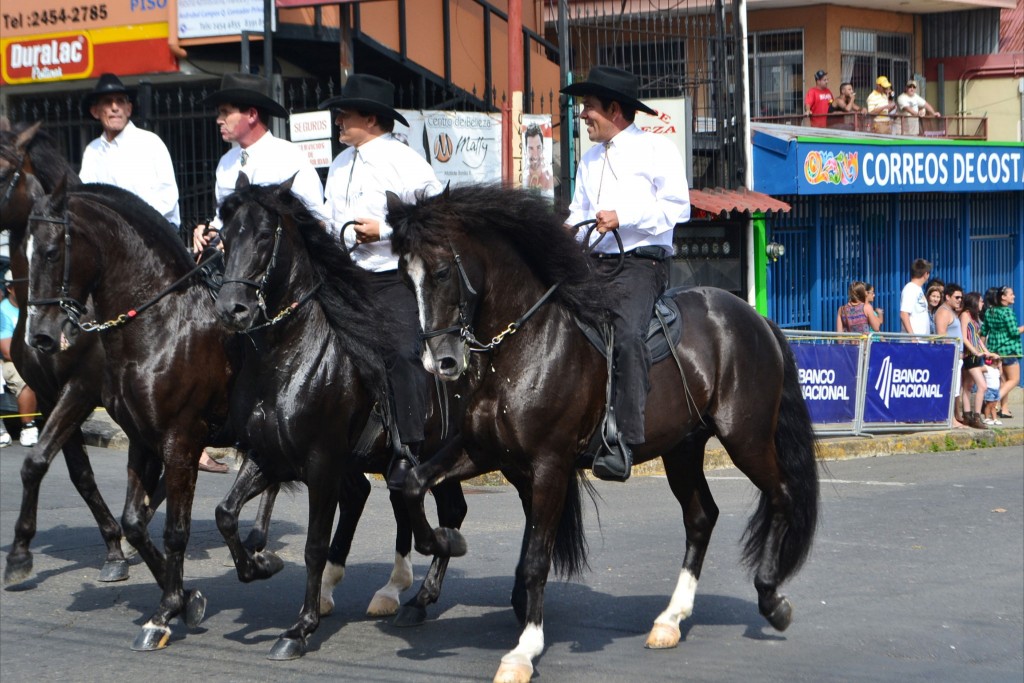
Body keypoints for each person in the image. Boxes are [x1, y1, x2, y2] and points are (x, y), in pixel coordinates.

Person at [561, 66, 691, 482]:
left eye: (589, 107)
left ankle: (625, 439)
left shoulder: (657, 150)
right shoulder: (589, 159)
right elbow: (578, 214)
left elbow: (678, 207)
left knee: (628, 332)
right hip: (592, 263)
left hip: (641, 263)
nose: (583, 115)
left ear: (615, 109)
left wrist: (623, 216)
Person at [318, 74, 442, 490]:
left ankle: (409, 447)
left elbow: (435, 217)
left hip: (393, 278)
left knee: (404, 352)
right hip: (347, 278)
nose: (338, 120)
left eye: (345, 114)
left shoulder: (405, 161)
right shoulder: (338, 165)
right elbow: (328, 219)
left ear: (371, 118)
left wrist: (386, 232)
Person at [192, 72, 324, 252]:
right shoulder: (226, 162)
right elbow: (224, 219)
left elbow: (316, 220)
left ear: (252, 114)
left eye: (226, 112)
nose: (219, 120)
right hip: (233, 270)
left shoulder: (288, 156)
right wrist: (209, 232)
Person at [79, 73, 181, 227]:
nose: (115, 108)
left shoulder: (150, 143)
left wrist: (134, 222)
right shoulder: (92, 151)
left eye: (120, 101)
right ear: (95, 112)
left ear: (128, 109)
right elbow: (86, 197)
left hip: (156, 230)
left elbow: (168, 197)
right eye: (108, 102)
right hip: (112, 233)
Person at [0, 271, 38, 447]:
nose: (27, 289)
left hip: (35, 358)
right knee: (27, 379)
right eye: (21, 286)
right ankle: (28, 427)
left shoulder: (35, 308)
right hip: (11, 361)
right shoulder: (3, 311)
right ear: (9, 288)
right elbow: (8, 352)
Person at [982, 285, 1023, 419]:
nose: (1013, 296)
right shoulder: (1007, 312)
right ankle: (992, 401)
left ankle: (1003, 409)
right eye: (1011, 294)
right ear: (1003, 297)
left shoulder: (990, 312)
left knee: (1003, 380)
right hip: (1008, 350)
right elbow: (1013, 332)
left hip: (994, 350)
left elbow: (983, 331)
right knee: (1014, 379)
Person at [959, 291, 998, 429]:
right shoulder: (965, 315)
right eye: (980, 301)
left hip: (976, 355)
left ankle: (967, 415)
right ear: (974, 302)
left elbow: (976, 337)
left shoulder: (974, 318)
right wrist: (974, 351)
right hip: (970, 356)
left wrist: (987, 352)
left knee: (968, 386)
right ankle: (976, 416)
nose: (982, 303)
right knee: (982, 385)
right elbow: (964, 336)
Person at [933, 283, 967, 428]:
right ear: (947, 297)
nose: (960, 300)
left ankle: (952, 418)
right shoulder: (943, 312)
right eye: (957, 297)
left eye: (961, 297)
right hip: (949, 357)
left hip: (956, 356)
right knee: (951, 389)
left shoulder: (951, 311)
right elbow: (942, 335)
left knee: (955, 389)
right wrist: (953, 353)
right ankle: (950, 419)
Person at [899, 258, 932, 336]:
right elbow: (904, 314)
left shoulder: (918, 289)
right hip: (913, 342)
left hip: (922, 340)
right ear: (926, 274)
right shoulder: (910, 289)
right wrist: (912, 337)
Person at [524, 123, 554, 192]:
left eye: (538, 147)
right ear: (525, 150)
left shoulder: (549, 179)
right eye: (531, 148)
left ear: (543, 148)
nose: (535, 155)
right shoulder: (521, 180)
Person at [981, 361, 1002, 426]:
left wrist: (1000, 366)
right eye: (997, 360)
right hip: (989, 390)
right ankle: (986, 418)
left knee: (994, 405)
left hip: (996, 390)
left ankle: (994, 418)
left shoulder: (996, 370)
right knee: (989, 405)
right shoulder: (987, 368)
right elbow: (979, 369)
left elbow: (1000, 373)